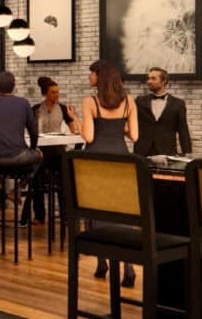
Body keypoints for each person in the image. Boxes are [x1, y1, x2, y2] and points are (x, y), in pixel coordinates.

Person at [81, 59, 139, 288]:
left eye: (92, 74)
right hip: (122, 160)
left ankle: (102, 262)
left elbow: (88, 137)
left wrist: (77, 121)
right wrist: (119, 126)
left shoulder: (90, 101)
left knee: (96, 211)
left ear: (100, 77)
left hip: (96, 160)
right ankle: (128, 267)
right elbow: (134, 136)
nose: (89, 77)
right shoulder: (129, 102)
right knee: (121, 211)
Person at [21, 76, 79, 225]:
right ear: (45, 94)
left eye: (58, 92)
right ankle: (39, 215)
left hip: (58, 151)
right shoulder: (36, 109)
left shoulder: (63, 108)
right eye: (53, 92)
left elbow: (72, 126)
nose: (56, 95)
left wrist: (70, 138)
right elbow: (29, 129)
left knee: (63, 177)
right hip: (42, 150)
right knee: (37, 176)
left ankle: (65, 214)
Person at [0, 72, 42, 207]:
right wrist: (33, 148)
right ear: (14, 86)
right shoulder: (23, 103)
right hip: (19, 156)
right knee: (39, 156)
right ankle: (19, 188)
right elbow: (34, 130)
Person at [133, 67, 192, 157]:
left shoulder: (178, 104)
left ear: (164, 81)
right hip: (142, 151)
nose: (149, 81)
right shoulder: (139, 101)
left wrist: (187, 152)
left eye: (153, 78)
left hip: (167, 151)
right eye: (148, 78)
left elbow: (183, 130)